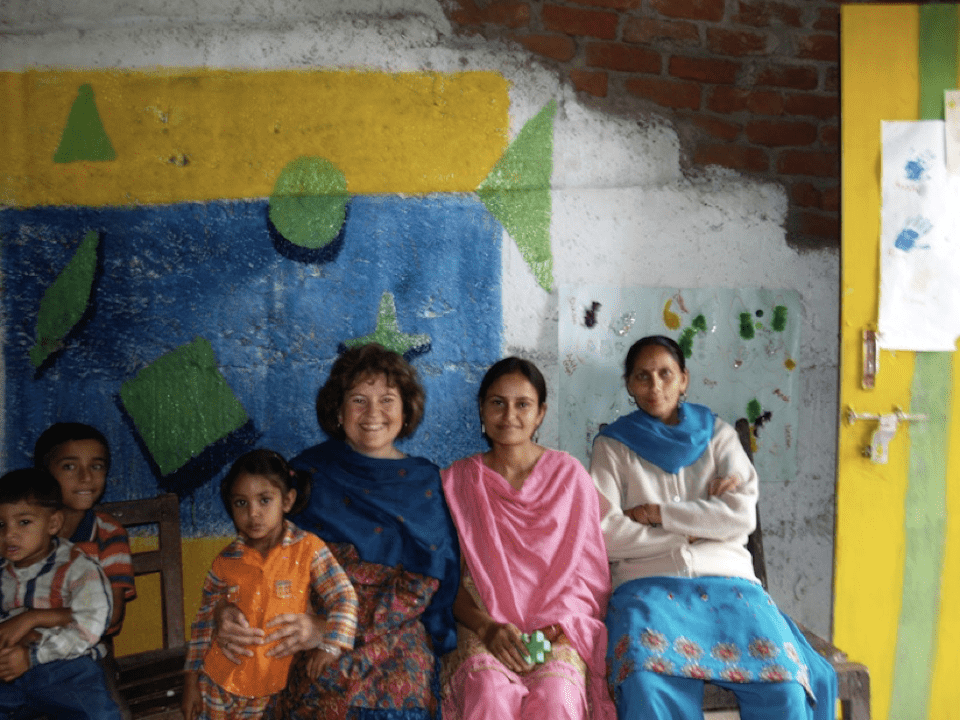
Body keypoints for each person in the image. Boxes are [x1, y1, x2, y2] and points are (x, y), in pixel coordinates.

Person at [590, 335, 837, 720]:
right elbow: (604, 534)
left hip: (732, 586)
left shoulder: (719, 436)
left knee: (785, 688)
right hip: (647, 588)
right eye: (643, 376)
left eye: (666, 374)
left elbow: (741, 517)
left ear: (684, 379)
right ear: (629, 385)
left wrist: (658, 514)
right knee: (646, 686)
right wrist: (700, 524)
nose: (655, 386)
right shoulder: (612, 446)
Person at [215, 343, 460, 720]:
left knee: (391, 693)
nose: (373, 413)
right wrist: (229, 611)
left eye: (387, 400)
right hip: (305, 619)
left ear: (406, 408)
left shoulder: (424, 482)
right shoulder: (305, 474)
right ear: (338, 409)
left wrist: (335, 629)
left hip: (394, 629)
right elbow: (259, 551)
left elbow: (427, 584)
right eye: (359, 399)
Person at [441, 357, 616, 720]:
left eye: (523, 404)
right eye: (497, 403)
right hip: (484, 624)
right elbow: (446, 579)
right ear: (482, 410)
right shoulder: (457, 482)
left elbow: (590, 576)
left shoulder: (569, 476)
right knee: (488, 694)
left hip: (558, 629)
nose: (509, 415)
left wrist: (560, 624)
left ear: (541, 414)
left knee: (557, 698)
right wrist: (487, 627)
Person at [182, 449, 358, 720]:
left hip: (270, 689)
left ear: (287, 500)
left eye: (264, 500)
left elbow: (343, 596)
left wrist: (332, 644)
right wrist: (191, 682)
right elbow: (204, 621)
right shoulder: (225, 560)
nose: (253, 514)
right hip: (217, 682)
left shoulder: (308, 549)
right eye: (241, 503)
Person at [34, 422, 138, 719]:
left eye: (97, 466)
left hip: (87, 655)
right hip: (24, 653)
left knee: (112, 714)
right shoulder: (25, 532)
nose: (85, 477)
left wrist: (33, 620)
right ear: (46, 474)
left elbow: (110, 615)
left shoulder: (108, 534)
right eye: (69, 466)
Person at [0, 467, 122, 719]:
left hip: (67, 668)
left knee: (98, 714)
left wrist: (33, 655)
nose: (9, 534)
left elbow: (91, 623)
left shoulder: (78, 568)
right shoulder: (2, 572)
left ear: (53, 523)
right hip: (9, 670)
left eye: (24, 522)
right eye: (0, 524)